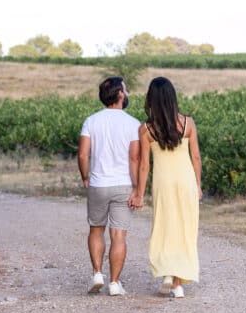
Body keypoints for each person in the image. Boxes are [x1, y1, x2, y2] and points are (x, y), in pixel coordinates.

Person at [129, 77, 202, 298]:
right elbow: (196, 157)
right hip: (186, 181)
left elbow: (144, 166)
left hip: (163, 182)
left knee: (164, 226)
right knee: (184, 229)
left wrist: (139, 193)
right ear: (172, 98)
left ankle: (167, 274)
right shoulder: (188, 123)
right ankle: (178, 285)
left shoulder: (145, 129)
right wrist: (198, 186)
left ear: (151, 99)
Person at [78, 76, 140, 296]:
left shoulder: (91, 121)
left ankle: (97, 273)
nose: (128, 92)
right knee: (118, 235)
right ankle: (114, 282)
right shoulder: (133, 124)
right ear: (120, 94)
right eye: (126, 89)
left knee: (96, 229)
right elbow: (134, 160)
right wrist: (137, 187)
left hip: (98, 183)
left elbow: (83, 154)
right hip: (123, 184)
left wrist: (86, 176)